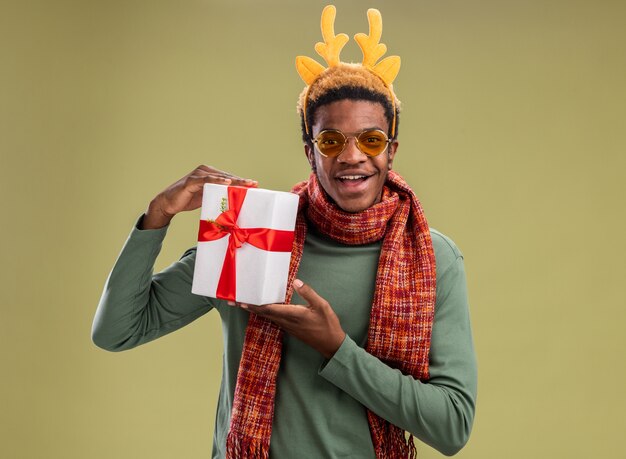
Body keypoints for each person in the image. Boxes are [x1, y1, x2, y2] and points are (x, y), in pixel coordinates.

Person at [92, 5, 477, 458]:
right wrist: (156, 215)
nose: (352, 156)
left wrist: (336, 349)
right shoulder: (252, 229)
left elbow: (451, 425)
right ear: (310, 151)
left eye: (371, 140)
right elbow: (117, 330)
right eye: (331, 141)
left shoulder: (431, 257)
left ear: (391, 150)